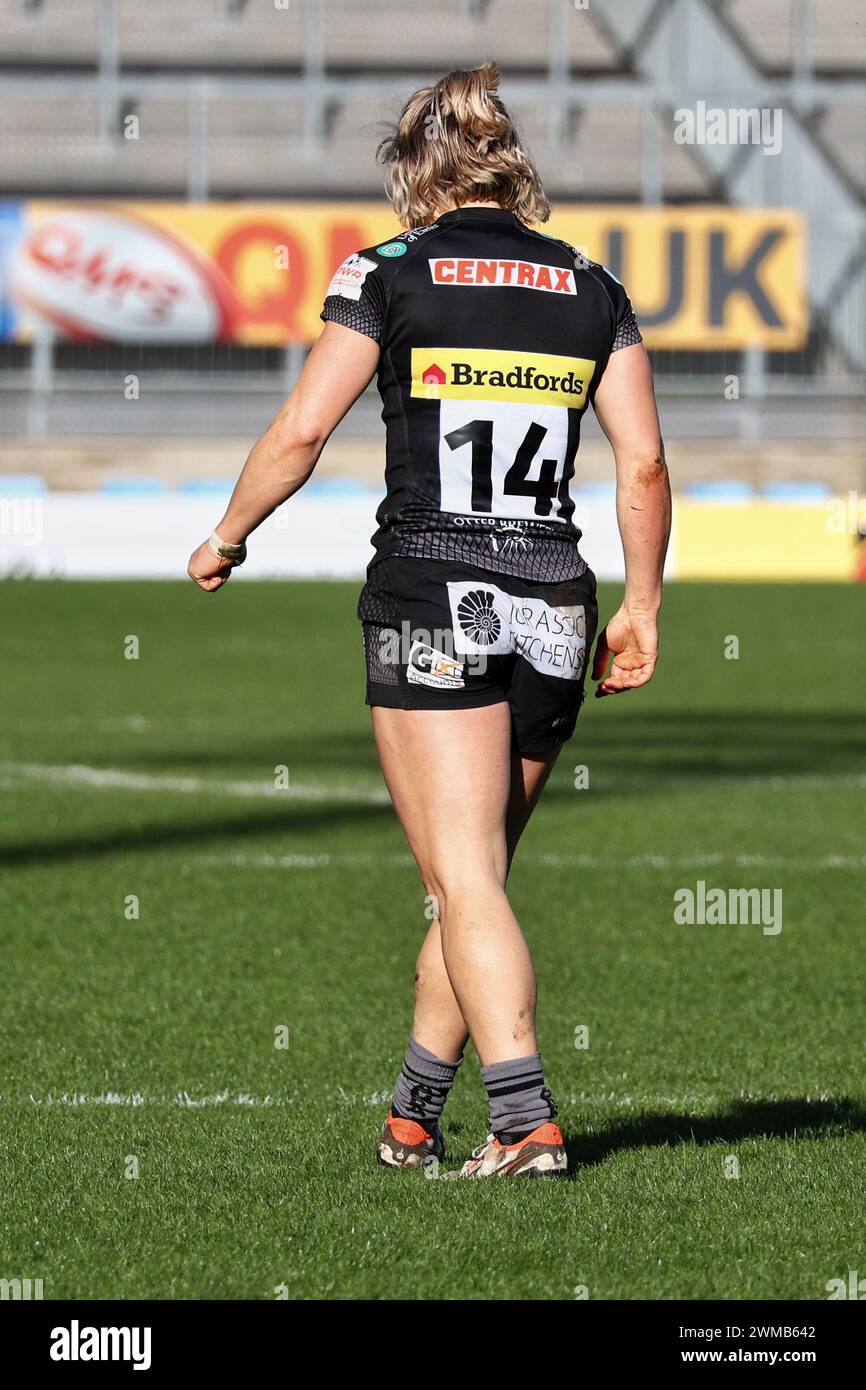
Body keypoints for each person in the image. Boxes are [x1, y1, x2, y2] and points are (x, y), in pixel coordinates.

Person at [188, 61, 670, 1178]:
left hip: (432, 590)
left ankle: (521, 1119)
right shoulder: (590, 284)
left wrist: (226, 535)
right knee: (475, 880)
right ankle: (411, 1117)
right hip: (555, 599)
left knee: (463, 880)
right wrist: (641, 605)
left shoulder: (390, 271)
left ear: (418, 172)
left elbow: (301, 432)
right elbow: (640, 462)